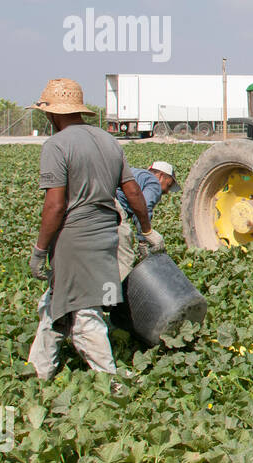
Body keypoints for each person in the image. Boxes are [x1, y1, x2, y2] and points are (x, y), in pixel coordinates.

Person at [26, 78, 164, 382]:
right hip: (106, 237)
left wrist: (39, 252)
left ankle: (111, 382)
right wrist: (147, 230)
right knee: (53, 303)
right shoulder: (107, 141)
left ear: (52, 114)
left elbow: (55, 206)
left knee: (85, 313)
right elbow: (133, 193)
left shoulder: (56, 145)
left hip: (74, 242)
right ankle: (38, 372)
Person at [115, 161, 181, 279]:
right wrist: (144, 240)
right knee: (125, 260)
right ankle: (120, 292)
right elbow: (142, 208)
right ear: (161, 176)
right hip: (113, 208)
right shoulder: (153, 182)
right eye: (169, 185)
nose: (167, 192)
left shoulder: (135, 173)